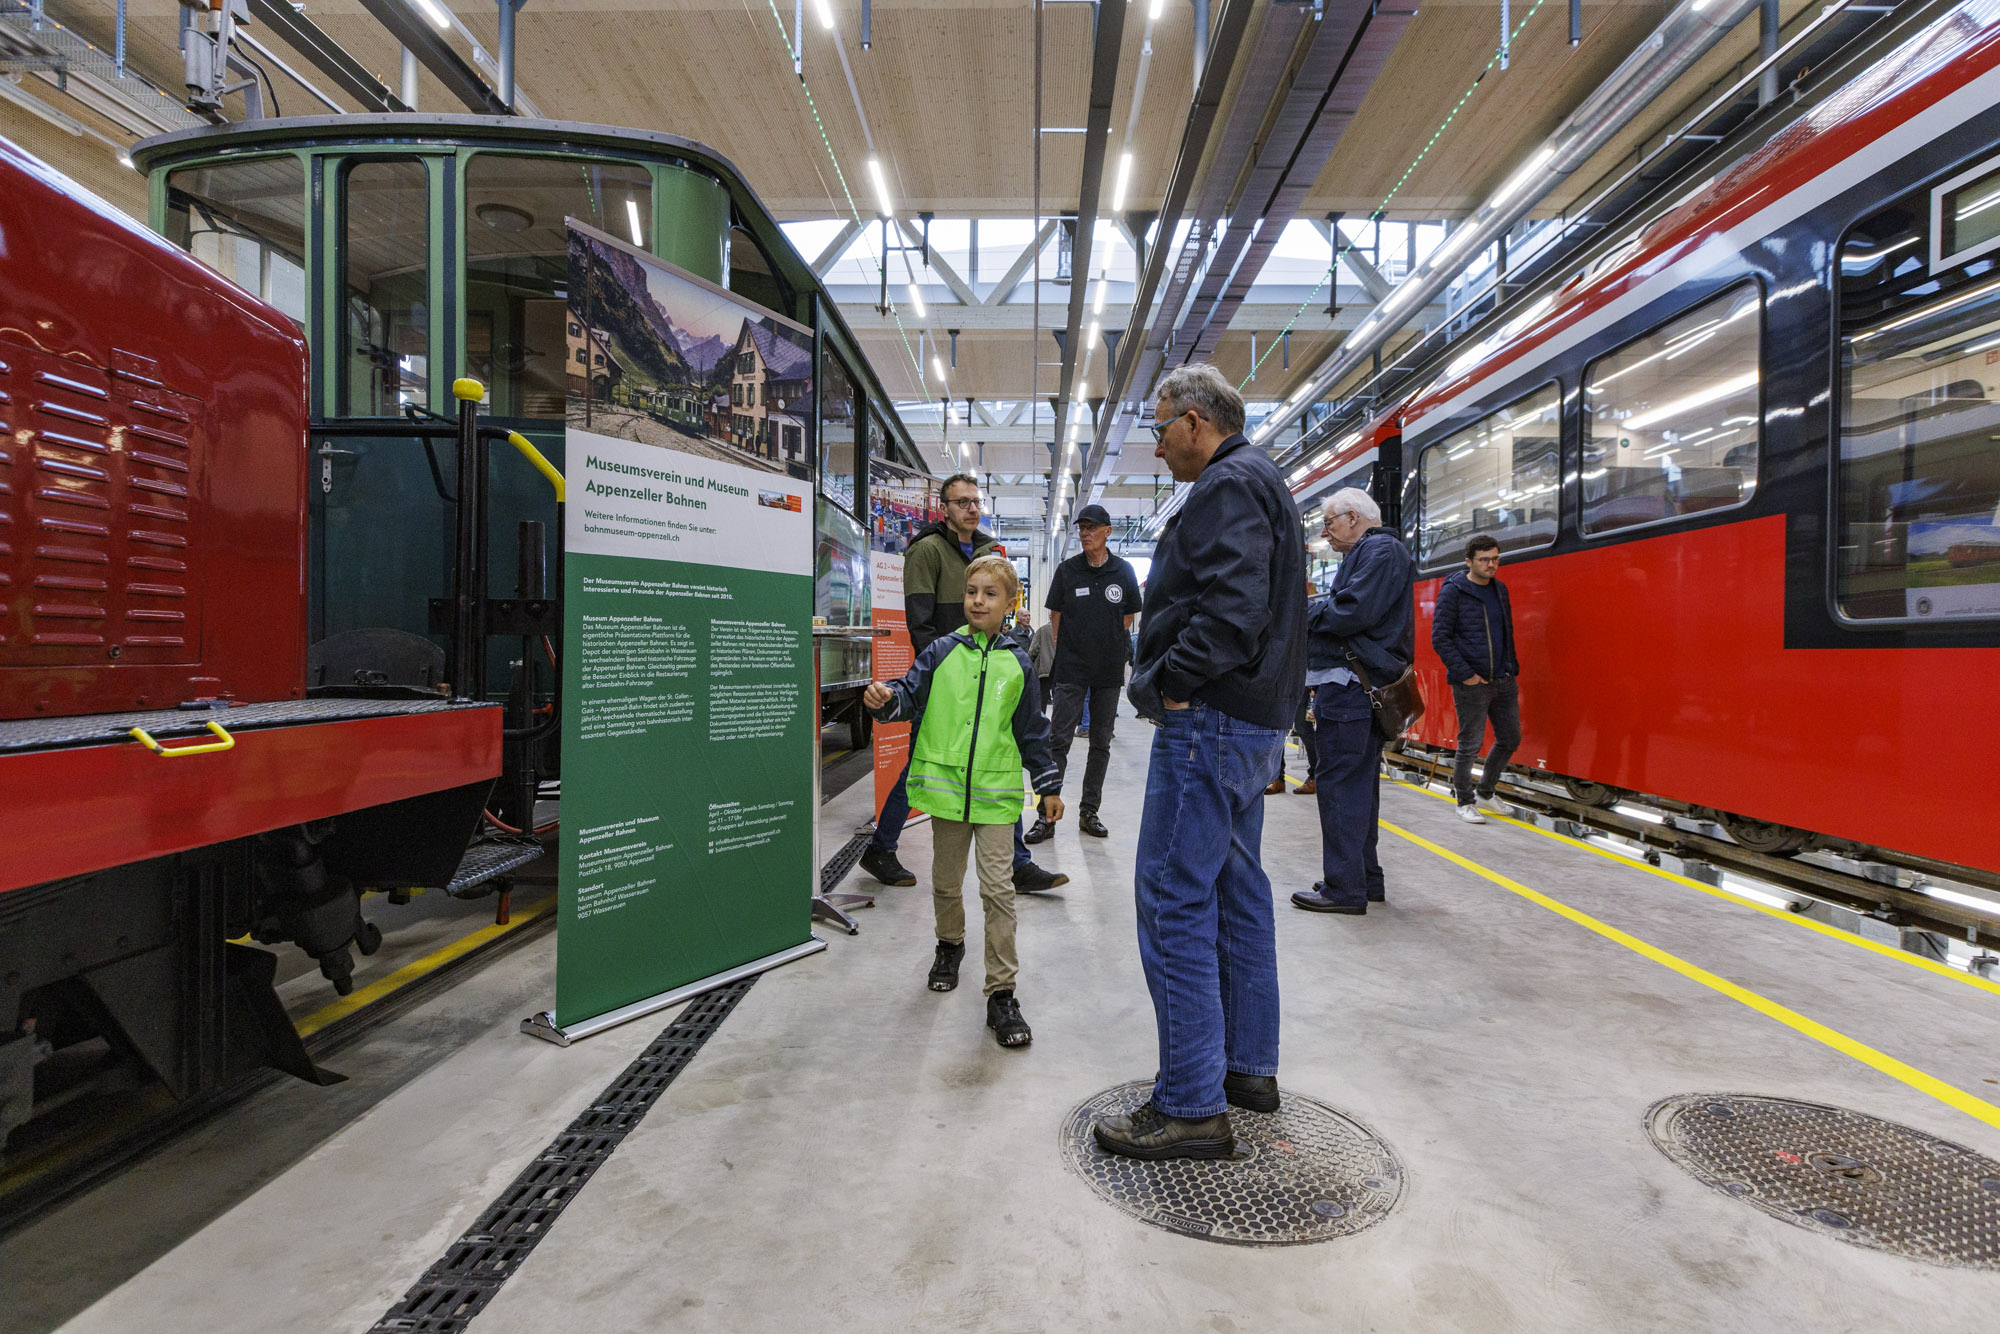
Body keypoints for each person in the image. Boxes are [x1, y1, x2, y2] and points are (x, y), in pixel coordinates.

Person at [1092, 363, 1305, 1162]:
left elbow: (1232, 611)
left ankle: (1191, 1105)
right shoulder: (1263, 479)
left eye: (1158, 430)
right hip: (1252, 722)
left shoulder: (1225, 484)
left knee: (1172, 897)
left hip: (1210, 718)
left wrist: (1171, 682)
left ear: (1193, 420)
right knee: (1238, 890)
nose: (1156, 448)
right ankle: (1245, 1068)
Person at [865, 555, 1062, 1048]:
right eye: (972, 591)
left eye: (990, 594)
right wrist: (886, 700)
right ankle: (950, 945)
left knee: (998, 891)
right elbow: (909, 694)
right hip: (948, 797)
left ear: (1010, 603)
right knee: (946, 883)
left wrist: (1048, 785)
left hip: (996, 801)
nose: (977, 600)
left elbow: (1032, 731)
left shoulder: (1018, 663)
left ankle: (1002, 993)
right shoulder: (941, 651)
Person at [858, 473, 1068, 896]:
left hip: (989, 673)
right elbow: (920, 623)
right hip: (947, 676)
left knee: (995, 762)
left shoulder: (990, 550)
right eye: (962, 502)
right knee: (921, 765)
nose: (971, 509)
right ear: (945, 508)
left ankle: (1016, 863)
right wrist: (944, 670)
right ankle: (881, 848)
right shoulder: (927, 550)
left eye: (975, 501)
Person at [1291, 488, 1415, 916]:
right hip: (1355, 687)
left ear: (1352, 517)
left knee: (1340, 786)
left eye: (1328, 523)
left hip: (1351, 688)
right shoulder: (1370, 554)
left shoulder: (1380, 552)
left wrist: (1304, 615)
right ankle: (1363, 877)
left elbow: (1350, 612)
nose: (1325, 533)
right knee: (1357, 786)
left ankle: (1344, 888)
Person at [1026, 504, 1141, 843]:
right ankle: (1046, 816)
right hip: (1071, 669)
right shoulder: (1067, 570)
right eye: (1082, 527)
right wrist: (1071, 649)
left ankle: (1089, 811)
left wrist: (1103, 644)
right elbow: (1056, 617)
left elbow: (1126, 619)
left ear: (1108, 531)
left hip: (1108, 671)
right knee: (1058, 741)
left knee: (1100, 742)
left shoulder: (1123, 571)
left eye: (1092, 527)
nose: (1085, 533)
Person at [1431, 534, 1520, 824]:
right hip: (1471, 682)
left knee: (1510, 738)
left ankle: (1485, 792)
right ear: (1469, 561)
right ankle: (1464, 801)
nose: (1491, 564)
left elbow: (1506, 631)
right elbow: (1440, 638)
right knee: (1470, 743)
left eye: (1495, 559)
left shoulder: (1500, 589)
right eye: (1484, 560)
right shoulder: (1454, 591)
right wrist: (1466, 674)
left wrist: (1511, 666)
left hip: (1503, 679)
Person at [1266, 580, 1320, 797]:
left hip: (1302, 680)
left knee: (1304, 728)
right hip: (1279, 678)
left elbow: (1313, 648)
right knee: (1276, 727)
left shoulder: (1308, 614)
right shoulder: (1278, 613)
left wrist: (1314, 683)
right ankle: (1277, 778)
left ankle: (1315, 776)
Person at [1029, 614, 1056, 714]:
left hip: (1044, 669)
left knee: (1042, 699)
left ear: (1050, 616)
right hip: (1060, 670)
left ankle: (1041, 720)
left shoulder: (1042, 630)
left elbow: (1033, 650)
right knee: (1059, 699)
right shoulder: (1065, 630)